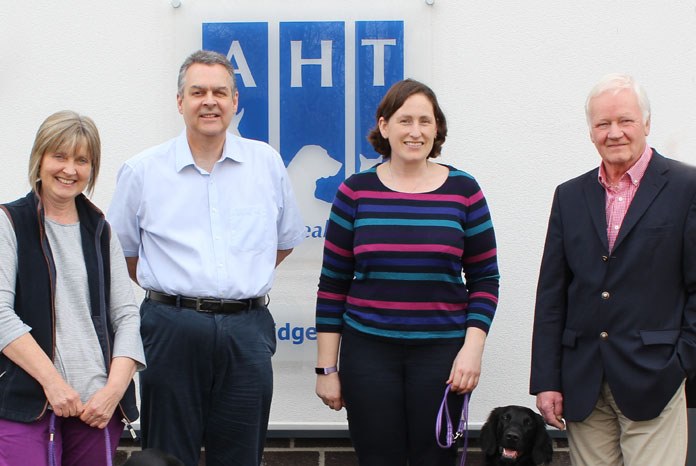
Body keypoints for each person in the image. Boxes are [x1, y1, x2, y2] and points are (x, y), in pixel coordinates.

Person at [107, 50, 305, 466]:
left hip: (246, 330)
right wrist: (182, 292)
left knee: (240, 455)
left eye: (220, 91)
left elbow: (283, 241)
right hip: (171, 329)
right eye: (197, 92)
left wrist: (236, 282)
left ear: (235, 101)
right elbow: (124, 252)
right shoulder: (142, 171)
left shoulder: (265, 164)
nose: (209, 101)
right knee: (166, 455)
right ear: (180, 102)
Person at [315, 78, 500, 466]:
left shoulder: (464, 191)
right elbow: (333, 285)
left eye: (425, 121)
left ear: (437, 129)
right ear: (384, 127)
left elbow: (485, 280)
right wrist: (327, 369)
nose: (415, 132)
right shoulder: (355, 192)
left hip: (442, 357)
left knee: (436, 460)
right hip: (369, 354)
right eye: (404, 120)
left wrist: (472, 350)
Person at [530, 73, 696, 465]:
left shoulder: (686, 187)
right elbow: (552, 293)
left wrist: (682, 361)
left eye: (625, 121)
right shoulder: (569, 195)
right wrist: (547, 380)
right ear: (591, 131)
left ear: (647, 124)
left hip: (656, 376)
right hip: (583, 380)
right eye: (603, 123)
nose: (614, 132)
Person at [0, 110, 145, 466]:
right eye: (60, 156)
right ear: (40, 158)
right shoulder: (9, 222)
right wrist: (53, 383)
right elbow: (1, 315)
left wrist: (114, 391)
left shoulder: (100, 230)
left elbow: (125, 316)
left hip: (96, 407)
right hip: (28, 401)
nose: (70, 169)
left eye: (82, 160)